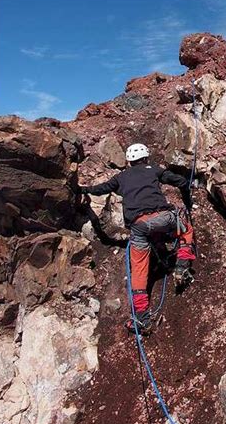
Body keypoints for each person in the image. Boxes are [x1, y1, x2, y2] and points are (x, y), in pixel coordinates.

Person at [80, 143, 195, 335]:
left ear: (129, 161)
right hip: (162, 217)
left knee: (139, 270)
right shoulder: (154, 170)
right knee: (185, 229)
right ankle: (182, 266)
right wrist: (188, 201)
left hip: (139, 226)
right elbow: (181, 182)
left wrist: (83, 190)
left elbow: (102, 189)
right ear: (146, 158)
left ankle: (141, 318)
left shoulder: (121, 177)